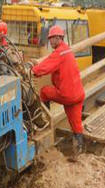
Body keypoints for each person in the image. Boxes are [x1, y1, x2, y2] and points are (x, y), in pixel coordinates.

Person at [31, 25, 85, 160]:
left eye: (51, 39)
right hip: (78, 94)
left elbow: (45, 66)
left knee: (44, 92)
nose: (50, 42)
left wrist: (32, 70)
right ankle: (78, 152)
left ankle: (44, 121)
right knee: (76, 124)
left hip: (66, 94)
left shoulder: (59, 53)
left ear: (58, 38)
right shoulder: (67, 50)